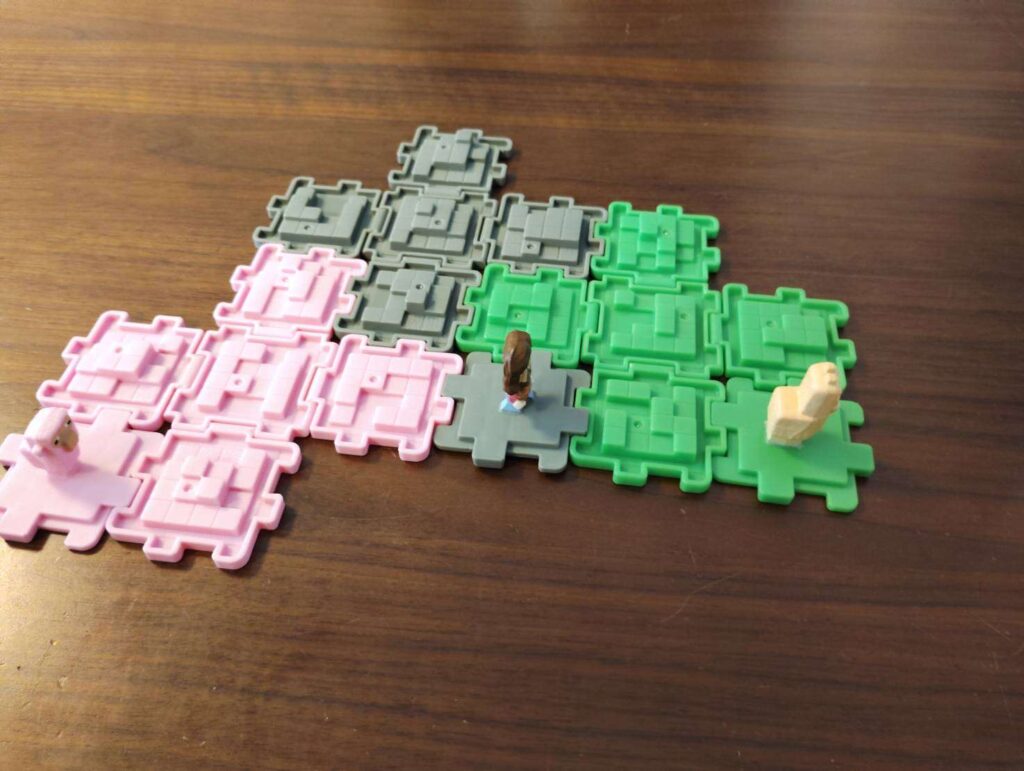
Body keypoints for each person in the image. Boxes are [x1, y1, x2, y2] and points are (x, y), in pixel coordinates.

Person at [500, 330, 534, 413]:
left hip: (519, 388)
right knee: (520, 398)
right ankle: (517, 403)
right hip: (520, 390)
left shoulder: (509, 367)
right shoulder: (520, 376)